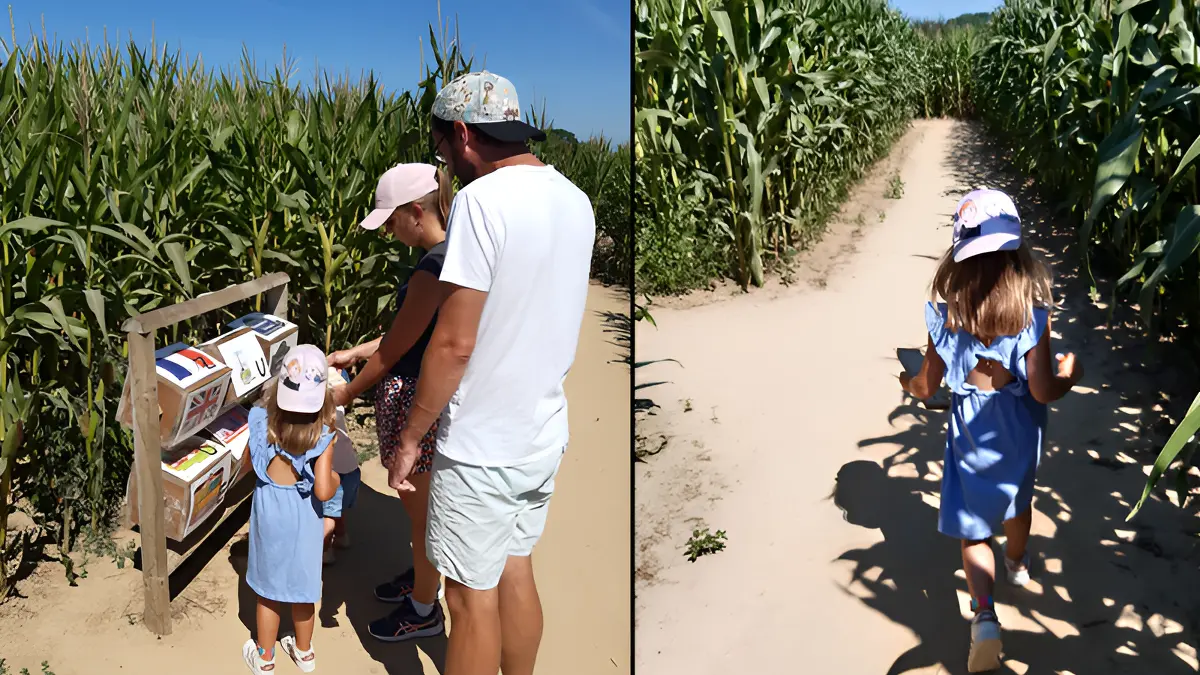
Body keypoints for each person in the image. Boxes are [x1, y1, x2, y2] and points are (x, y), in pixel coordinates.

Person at [388, 71, 594, 675]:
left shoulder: (482, 202)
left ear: (461, 133)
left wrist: (408, 437)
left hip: (482, 444)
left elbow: (453, 343)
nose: (445, 163)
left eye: (441, 149)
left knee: (467, 599)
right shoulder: (574, 199)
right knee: (516, 567)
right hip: (542, 432)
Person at [899, 189, 1083, 672]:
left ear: (957, 263)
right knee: (1017, 503)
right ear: (1018, 257)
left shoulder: (948, 318)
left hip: (968, 440)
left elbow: (926, 385)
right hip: (1019, 438)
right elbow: (1042, 390)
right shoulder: (1030, 318)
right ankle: (1019, 563)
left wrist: (909, 382)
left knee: (973, 531)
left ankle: (983, 615)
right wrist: (1070, 374)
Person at [327, 162, 453, 641]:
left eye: (392, 220)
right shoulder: (448, 256)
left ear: (415, 211)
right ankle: (422, 581)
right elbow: (407, 333)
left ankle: (423, 609)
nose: (390, 232)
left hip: (413, 401)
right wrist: (354, 353)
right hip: (418, 396)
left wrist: (346, 392)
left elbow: (397, 350)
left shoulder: (432, 267)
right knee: (417, 510)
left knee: (420, 513)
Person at [241, 345, 340, 674]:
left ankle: (265, 658)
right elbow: (324, 489)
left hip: (270, 516)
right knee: (302, 590)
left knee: (268, 593)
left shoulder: (259, 422)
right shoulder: (323, 436)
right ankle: (304, 653)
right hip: (304, 521)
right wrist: (337, 479)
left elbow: (248, 465)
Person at [320, 370, 361, 566]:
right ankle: (342, 536)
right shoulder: (339, 410)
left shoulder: (319, 418)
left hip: (333, 473)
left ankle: (324, 551)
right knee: (339, 508)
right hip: (351, 470)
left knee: (328, 515)